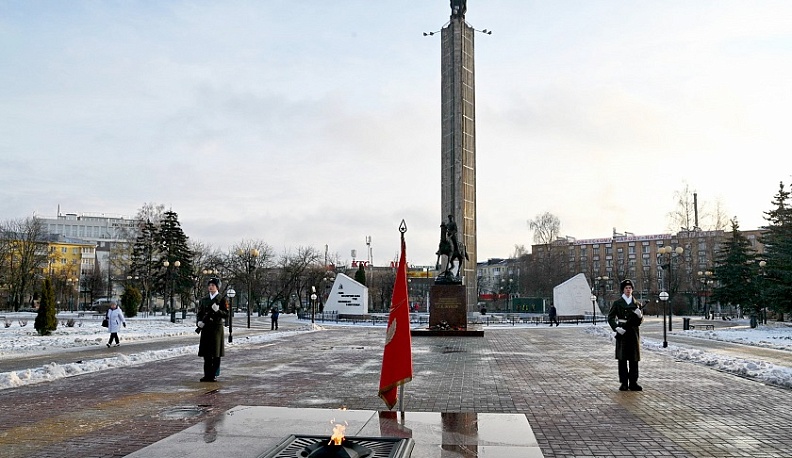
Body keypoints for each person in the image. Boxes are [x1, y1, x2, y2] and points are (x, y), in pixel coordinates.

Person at [607, 279, 644, 391]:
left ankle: (633, 382)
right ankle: (624, 382)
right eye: (626, 288)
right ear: (623, 290)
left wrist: (639, 316)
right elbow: (611, 317)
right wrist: (616, 328)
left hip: (633, 332)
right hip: (622, 332)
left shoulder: (637, 304)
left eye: (630, 288)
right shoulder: (617, 303)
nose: (628, 290)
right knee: (622, 359)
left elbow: (639, 322)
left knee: (634, 359)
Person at [196, 277, 228, 382]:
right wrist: (199, 321)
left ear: (217, 287)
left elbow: (227, 314)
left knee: (215, 353)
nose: (210, 287)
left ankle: (213, 374)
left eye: (213, 285)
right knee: (207, 354)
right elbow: (200, 313)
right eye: (209, 285)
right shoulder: (204, 300)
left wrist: (218, 311)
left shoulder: (222, 299)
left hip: (216, 329)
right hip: (206, 328)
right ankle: (207, 374)